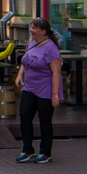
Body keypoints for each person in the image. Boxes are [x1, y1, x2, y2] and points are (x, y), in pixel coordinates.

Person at [15, 18, 62, 163]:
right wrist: (19, 74)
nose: (31, 30)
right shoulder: (32, 42)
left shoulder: (51, 48)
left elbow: (56, 73)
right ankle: (27, 149)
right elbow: (26, 59)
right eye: (31, 27)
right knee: (25, 115)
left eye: (34, 28)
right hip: (29, 86)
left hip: (45, 88)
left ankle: (46, 152)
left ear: (43, 31)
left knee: (44, 120)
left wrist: (55, 94)